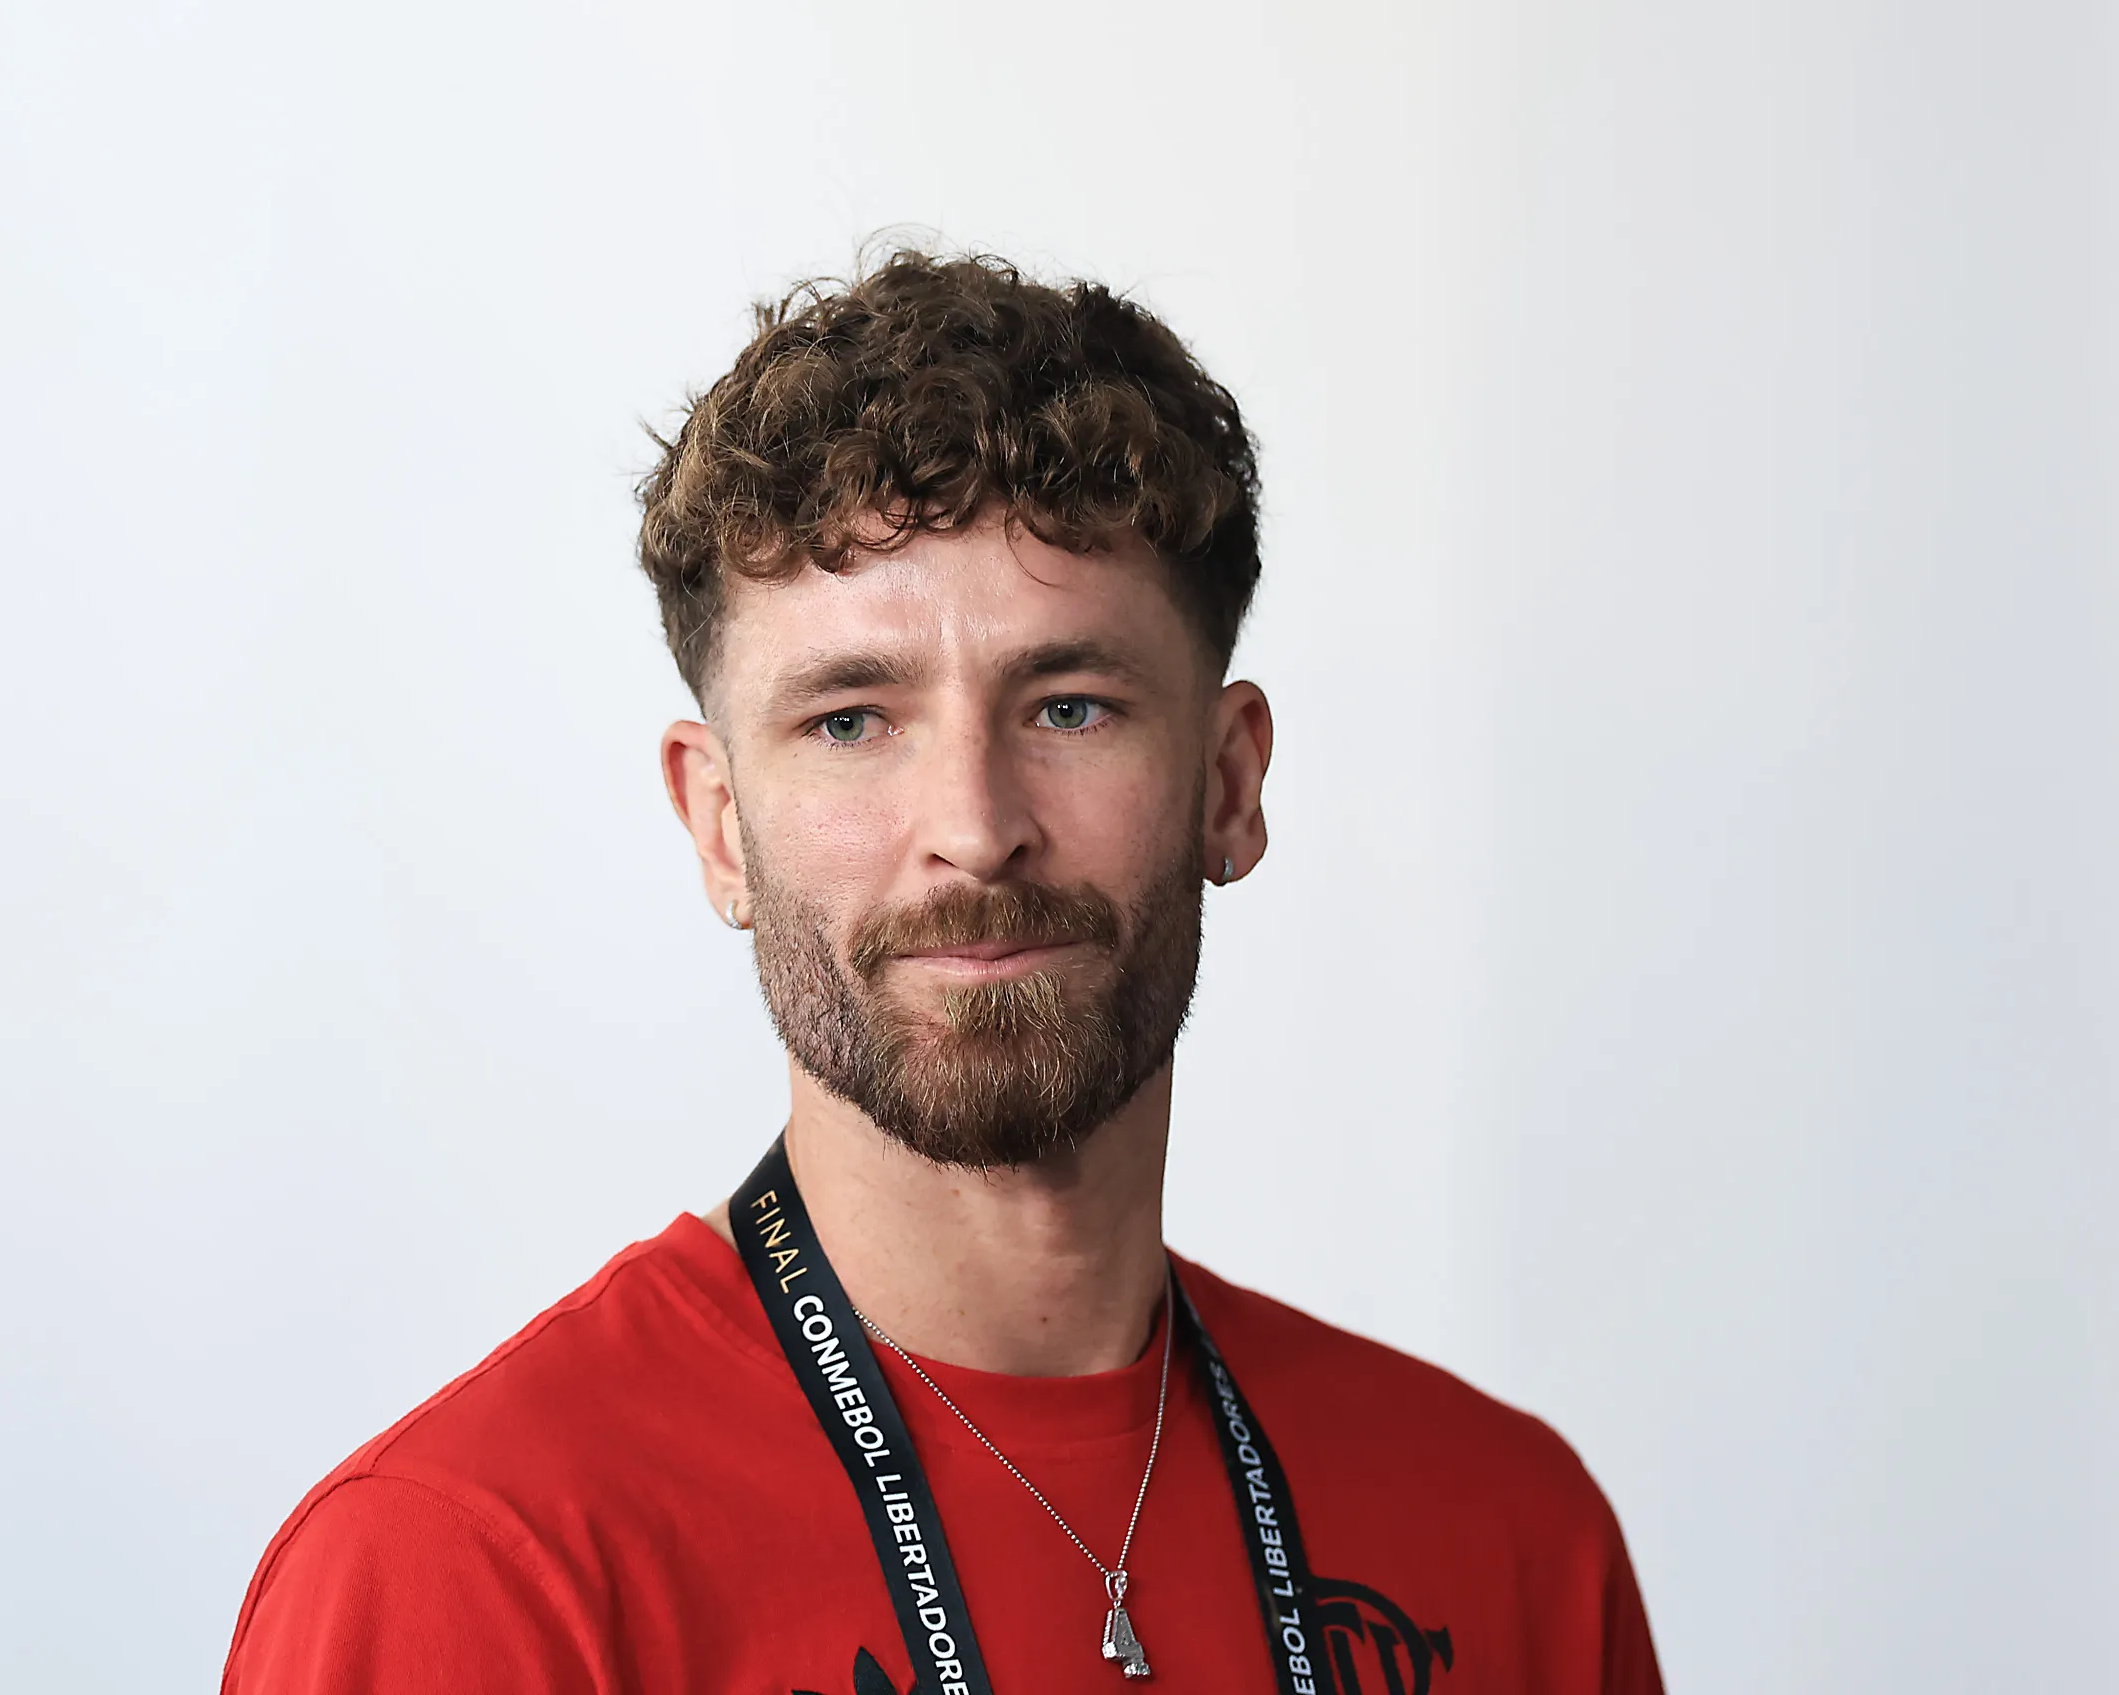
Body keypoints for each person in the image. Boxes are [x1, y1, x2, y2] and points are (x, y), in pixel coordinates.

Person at [222, 252, 1664, 1695]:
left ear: (1228, 785)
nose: (976, 830)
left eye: (1073, 706)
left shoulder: (1512, 1536)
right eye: (853, 721)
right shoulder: (468, 1576)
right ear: (720, 825)